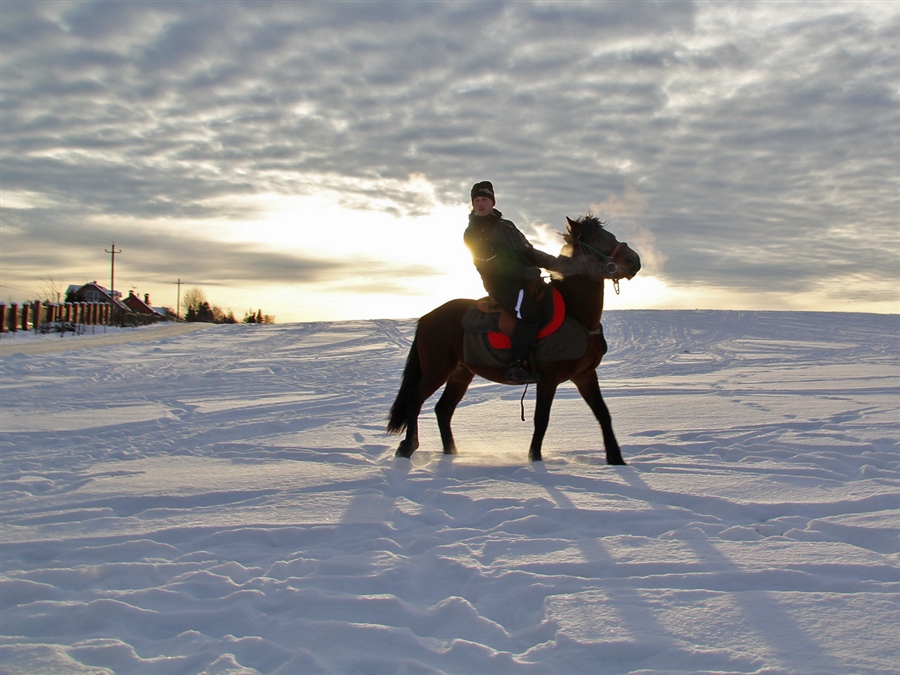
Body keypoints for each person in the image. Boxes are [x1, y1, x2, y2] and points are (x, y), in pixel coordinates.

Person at [464, 181, 563, 385]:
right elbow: (490, 261)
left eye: (484, 199)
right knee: (529, 312)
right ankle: (516, 366)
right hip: (501, 285)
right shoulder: (472, 232)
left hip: (525, 279)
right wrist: (524, 272)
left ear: (493, 202)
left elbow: (528, 250)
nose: (480, 204)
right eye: (477, 200)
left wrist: (555, 263)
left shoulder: (507, 226)